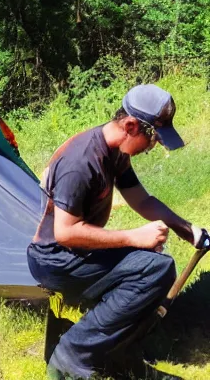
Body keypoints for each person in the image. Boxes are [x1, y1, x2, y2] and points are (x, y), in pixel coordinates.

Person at [27, 84, 209, 379]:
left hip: (76, 252)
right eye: (152, 140)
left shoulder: (115, 150)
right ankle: (72, 355)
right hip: (55, 260)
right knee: (154, 269)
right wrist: (133, 237)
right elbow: (65, 233)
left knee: (155, 261)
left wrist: (187, 229)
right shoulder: (81, 163)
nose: (152, 148)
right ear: (131, 125)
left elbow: (142, 200)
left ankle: (117, 350)